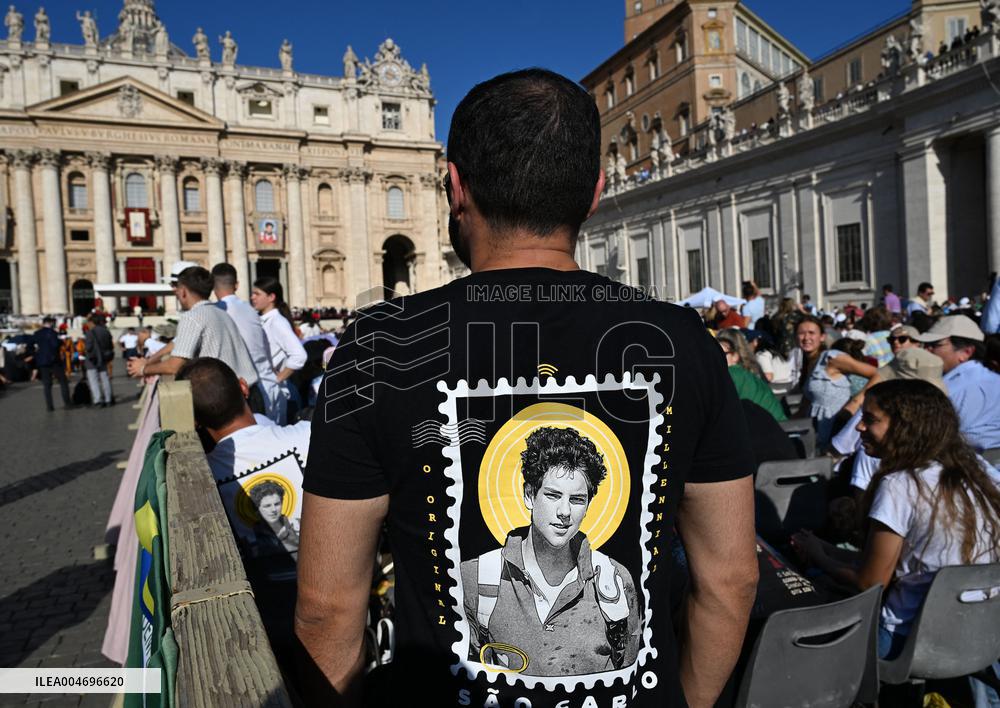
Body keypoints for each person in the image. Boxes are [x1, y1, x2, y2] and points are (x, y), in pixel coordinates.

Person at [298, 69, 757, 708]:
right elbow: (730, 580)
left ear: (454, 187)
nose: (566, 510)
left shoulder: (378, 347)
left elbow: (326, 608)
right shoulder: (684, 341)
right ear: (594, 193)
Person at [792, 379, 1000, 661]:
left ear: (905, 427)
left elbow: (870, 582)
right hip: (981, 634)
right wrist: (826, 549)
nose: (859, 427)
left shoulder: (900, 485)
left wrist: (818, 557)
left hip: (910, 640)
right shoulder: (975, 473)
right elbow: (898, 565)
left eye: (870, 419)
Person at [461, 426, 641, 676]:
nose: (565, 512)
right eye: (553, 495)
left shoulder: (616, 582)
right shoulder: (475, 578)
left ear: (588, 506)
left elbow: (629, 675)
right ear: (529, 496)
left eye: (577, 499)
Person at [176, 357, 310, 558]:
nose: (273, 509)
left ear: (194, 421)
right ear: (243, 386)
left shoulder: (201, 480)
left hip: (260, 588)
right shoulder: (308, 434)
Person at [127, 267, 260, 396]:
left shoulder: (192, 317)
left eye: (177, 288)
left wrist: (143, 369)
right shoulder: (220, 313)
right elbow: (176, 344)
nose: (176, 293)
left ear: (183, 291)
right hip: (249, 391)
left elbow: (174, 366)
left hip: (230, 398)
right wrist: (148, 361)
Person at [212, 263, 283, 423]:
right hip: (267, 384)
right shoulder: (251, 310)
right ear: (236, 285)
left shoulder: (216, 312)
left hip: (247, 392)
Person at [916, 315, 1000, 451]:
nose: (927, 350)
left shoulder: (951, 388)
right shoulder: (992, 376)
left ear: (966, 352)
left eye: (935, 345)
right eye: (926, 345)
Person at [803, 327, 880, 449]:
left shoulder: (833, 358)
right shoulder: (820, 363)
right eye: (801, 333)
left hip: (839, 428)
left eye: (811, 333)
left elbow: (878, 374)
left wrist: (854, 403)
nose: (805, 338)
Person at [251, 277, 306, 422]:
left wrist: (278, 378)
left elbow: (299, 355)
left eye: (257, 294)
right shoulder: (264, 320)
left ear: (271, 297)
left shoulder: (277, 322)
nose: (252, 297)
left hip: (275, 392)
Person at [717, 329, 786, 421]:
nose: (716, 358)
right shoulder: (752, 369)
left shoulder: (733, 374)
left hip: (763, 427)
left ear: (735, 355)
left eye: (721, 354)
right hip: (778, 426)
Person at [28, 316, 72, 411]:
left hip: (43, 361)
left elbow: (29, 346)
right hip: (54, 361)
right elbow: (55, 345)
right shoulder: (52, 333)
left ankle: (49, 406)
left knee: (47, 385)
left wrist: (36, 354)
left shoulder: (37, 333)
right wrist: (60, 342)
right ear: (51, 323)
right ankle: (67, 403)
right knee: (63, 382)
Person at [84, 314, 115, 407]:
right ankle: (108, 399)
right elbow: (110, 345)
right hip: (104, 357)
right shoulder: (106, 331)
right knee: (105, 378)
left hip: (92, 359)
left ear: (92, 322)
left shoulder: (90, 332)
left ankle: (98, 400)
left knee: (93, 380)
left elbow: (88, 347)